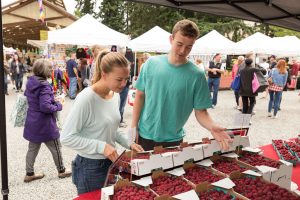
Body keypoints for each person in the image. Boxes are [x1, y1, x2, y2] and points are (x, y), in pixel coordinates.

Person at [131, 19, 232, 151]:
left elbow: (201, 112)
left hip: (173, 140)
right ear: (171, 39)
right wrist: (133, 127)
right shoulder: (150, 64)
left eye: (189, 47)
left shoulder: (197, 75)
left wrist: (212, 126)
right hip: (144, 136)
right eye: (179, 44)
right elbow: (139, 96)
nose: (183, 50)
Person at [61, 50, 144, 195]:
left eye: (126, 79)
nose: (124, 84)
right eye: (119, 80)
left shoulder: (114, 95)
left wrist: (128, 143)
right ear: (104, 74)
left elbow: (111, 128)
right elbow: (66, 137)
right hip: (90, 167)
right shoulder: (86, 99)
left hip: (110, 163)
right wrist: (101, 147)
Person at [23, 59, 71, 183]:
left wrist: (50, 98)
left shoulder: (31, 81)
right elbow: (45, 107)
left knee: (32, 149)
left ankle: (29, 173)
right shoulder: (44, 85)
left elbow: (33, 98)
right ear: (44, 70)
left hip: (33, 121)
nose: (52, 70)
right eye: (50, 68)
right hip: (45, 124)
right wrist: (58, 105)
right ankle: (61, 170)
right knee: (56, 147)